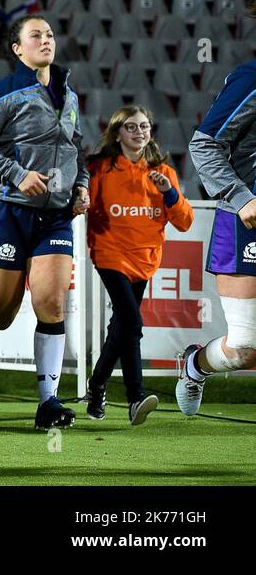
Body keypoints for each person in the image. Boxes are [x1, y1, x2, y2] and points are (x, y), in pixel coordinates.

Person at [0, 14, 89, 429]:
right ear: (17, 48)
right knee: (1, 313)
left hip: (55, 216)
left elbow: (76, 147)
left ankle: (48, 402)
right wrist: (17, 174)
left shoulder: (68, 93)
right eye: (36, 35)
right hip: (7, 212)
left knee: (50, 303)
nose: (46, 39)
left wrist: (81, 185)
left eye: (50, 33)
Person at [86, 106, 192, 425]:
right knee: (132, 323)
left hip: (145, 260)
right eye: (131, 127)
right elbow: (83, 204)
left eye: (144, 126)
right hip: (109, 254)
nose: (140, 132)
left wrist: (169, 193)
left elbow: (185, 222)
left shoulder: (163, 172)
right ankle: (135, 398)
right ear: (117, 134)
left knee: (120, 327)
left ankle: (97, 385)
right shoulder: (101, 170)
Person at [178, 16, 256, 415]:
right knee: (244, 349)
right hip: (246, 223)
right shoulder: (251, 78)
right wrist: (242, 198)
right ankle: (194, 366)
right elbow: (204, 145)